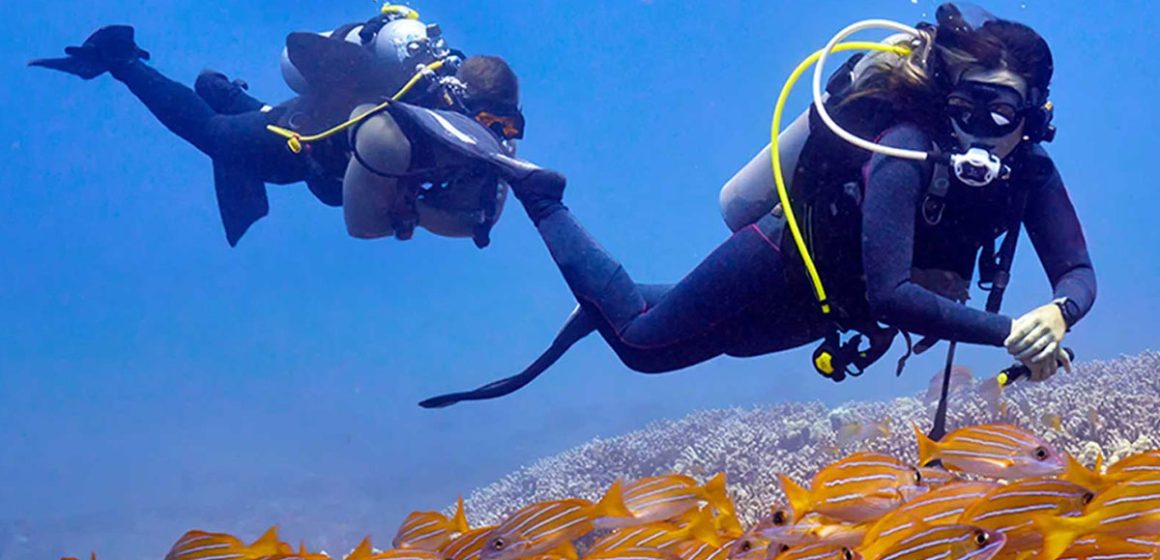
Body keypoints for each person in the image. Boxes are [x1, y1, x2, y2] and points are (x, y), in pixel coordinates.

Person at [421, 3, 1095, 408]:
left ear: (1034, 115)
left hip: (829, 302)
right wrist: (1008, 331)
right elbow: (891, 294)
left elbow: (1077, 272)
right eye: (968, 102)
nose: (982, 125)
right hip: (784, 258)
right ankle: (542, 198)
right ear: (945, 97)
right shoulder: (906, 148)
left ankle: (611, 296)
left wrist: (1058, 314)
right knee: (643, 347)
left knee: (730, 346)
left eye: (1001, 107)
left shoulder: (1031, 171)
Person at [30, 5, 526, 248]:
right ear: (462, 102)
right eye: (490, 122)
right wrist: (413, 210)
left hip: (315, 145)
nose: (497, 134)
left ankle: (220, 88)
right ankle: (120, 57)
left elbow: (478, 224)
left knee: (257, 116)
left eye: (506, 126)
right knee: (214, 136)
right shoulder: (387, 129)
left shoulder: (476, 143)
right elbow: (361, 225)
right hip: (291, 147)